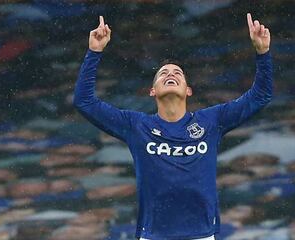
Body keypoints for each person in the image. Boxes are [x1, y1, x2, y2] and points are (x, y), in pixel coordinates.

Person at [74, 13, 272, 240]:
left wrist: (262, 53)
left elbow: (261, 95)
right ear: (152, 91)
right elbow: (84, 102)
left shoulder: (212, 121)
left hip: (202, 235)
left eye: (177, 73)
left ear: (188, 90)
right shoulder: (136, 125)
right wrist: (94, 51)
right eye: (163, 74)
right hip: (153, 235)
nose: (171, 74)